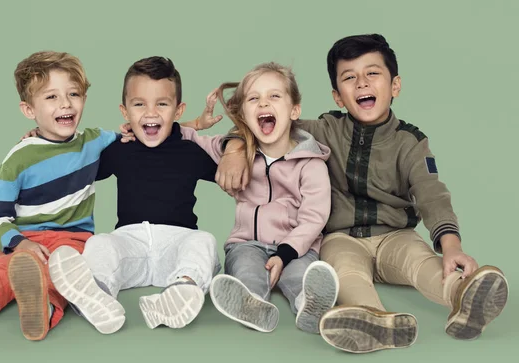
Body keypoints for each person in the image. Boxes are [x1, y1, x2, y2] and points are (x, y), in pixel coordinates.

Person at [202, 34, 509, 353]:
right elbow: (266, 124)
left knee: (421, 263)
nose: (362, 83)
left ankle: (465, 299)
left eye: (373, 73)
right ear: (337, 96)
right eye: (349, 78)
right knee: (346, 273)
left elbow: (431, 194)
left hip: (395, 236)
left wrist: (452, 246)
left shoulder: (410, 142)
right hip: (340, 238)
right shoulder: (323, 130)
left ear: (395, 86)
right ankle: (375, 320)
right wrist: (234, 149)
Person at [122, 62, 340, 333]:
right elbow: (183, 135)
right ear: (244, 116)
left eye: (274, 96)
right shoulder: (235, 151)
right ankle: (253, 306)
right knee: (246, 272)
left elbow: (314, 218)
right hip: (245, 243)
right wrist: (142, 126)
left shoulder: (312, 163)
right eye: (253, 99)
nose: (263, 104)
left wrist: (285, 253)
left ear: (294, 110)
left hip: (297, 246)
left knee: (299, 275)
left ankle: (311, 304)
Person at [0, 51, 119, 341]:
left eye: (73, 94)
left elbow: (141, 135)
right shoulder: (18, 159)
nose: (66, 103)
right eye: (51, 97)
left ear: (84, 100)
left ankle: (42, 308)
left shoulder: (93, 140)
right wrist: (20, 243)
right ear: (29, 110)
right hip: (24, 241)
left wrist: (191, 125)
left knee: (63, 278)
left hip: (72, 241)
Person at [45, 56, 223, 333]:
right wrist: (43, 137)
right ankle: (97, 294)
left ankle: (183, 289)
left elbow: (235, 177)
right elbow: (76, 164)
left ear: (178, 111)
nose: (150, 113)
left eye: (162, 104)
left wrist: (235, 152)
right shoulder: (120, 149)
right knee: (100, 243)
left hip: (178, 244)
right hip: (130, 243)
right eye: (139, 104)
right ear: (125, 112)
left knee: (204, 241)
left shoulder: (191, 152)